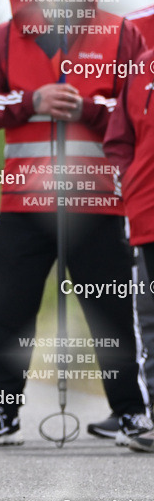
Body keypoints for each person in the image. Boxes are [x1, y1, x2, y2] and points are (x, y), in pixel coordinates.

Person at [0, 0, 150, 446]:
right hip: (25, 205)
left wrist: (89, 108)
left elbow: (139, 112)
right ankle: (2, 414)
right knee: (8, 309)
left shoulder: (120, 34)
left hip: (99, 203)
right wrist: (32, 99)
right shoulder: (6, 37)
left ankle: (132, 414)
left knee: (113, 312)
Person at [104, 40, 154, 452]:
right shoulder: (141, 69)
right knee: (151, 323)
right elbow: (119, 141)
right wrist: (132, 186)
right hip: (147, 216)